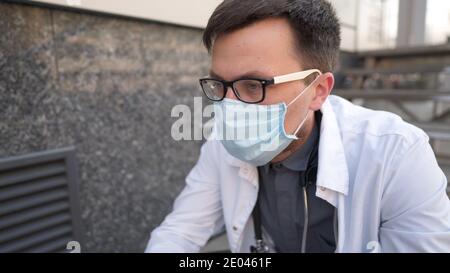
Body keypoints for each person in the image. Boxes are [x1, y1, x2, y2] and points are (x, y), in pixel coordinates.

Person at [146, 0, 450, 253]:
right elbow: (179, 234)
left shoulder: (397, 154)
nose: (229, 106)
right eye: (220, 85)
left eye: (254, 85)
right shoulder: (222, 144)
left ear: (318, 90)